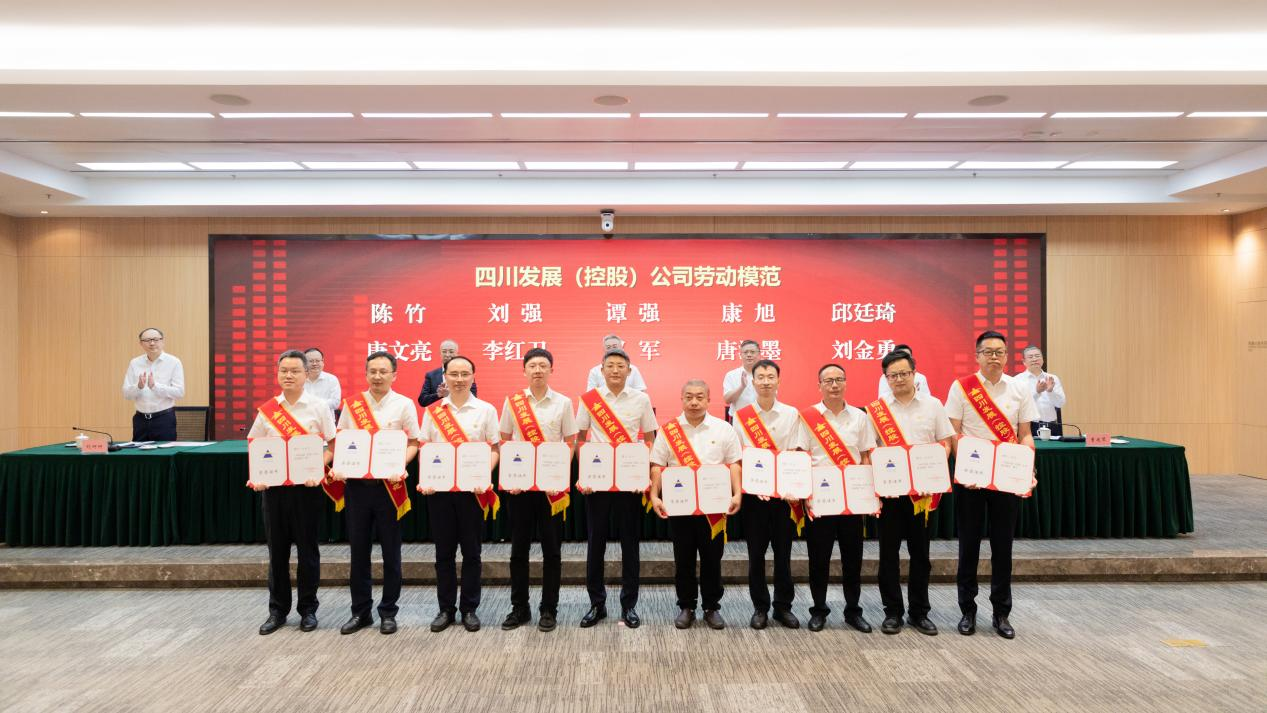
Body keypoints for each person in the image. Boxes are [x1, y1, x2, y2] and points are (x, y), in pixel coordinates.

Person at [945, 330, 1039, 640]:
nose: (994, 357)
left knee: (1003, 546)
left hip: (1006, 479)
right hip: (971, 479)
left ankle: (1001, 612)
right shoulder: (962, 387)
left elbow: (1025, 434)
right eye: (988, 352)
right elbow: (953, 432)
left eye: (999, 352)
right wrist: (966, 467)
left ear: (1007, 356)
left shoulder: (1019, 388)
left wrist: (1027, 463)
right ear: (977, 356)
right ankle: (967, 610)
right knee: (968, 545)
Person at [330, 351, 419, 636]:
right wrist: (340, 466)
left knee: (391, 553)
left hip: (389, 488)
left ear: (394, 375)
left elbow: (414, 442)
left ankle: (388, 612)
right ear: (366, 374)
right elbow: (342, 440)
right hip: (357, 488)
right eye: (373, 371)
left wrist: (400, 465)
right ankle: (360, 612)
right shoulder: (352, 405)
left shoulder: (404, 404)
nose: (378, 376)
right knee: (359, 553)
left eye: (383, 371)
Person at [246, 350, 336, 635]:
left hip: (307, 490)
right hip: (274, 492)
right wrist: (258, 476)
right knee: (277, 554)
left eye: (295, 371)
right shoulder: (268, 410)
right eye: (283, 371)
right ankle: (277, 611)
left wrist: (317, 468)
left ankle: (308, 610)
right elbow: (254, 444)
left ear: (306, 374)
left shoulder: (319, 407)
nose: (288, 375)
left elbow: (333, 446)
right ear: (277, 374)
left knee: (308, 553)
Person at [866, 350, 954, 636]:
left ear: (914, 375)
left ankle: (919, 612)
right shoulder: (876, 410)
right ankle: (892, 612)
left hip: (922, 496)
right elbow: (870, 450)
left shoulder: (933, 405)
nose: (899, 379)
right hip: (890, 495)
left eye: (904, 373)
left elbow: (946, 443)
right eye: (893, 375)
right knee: (888, 555)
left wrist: (932, 470)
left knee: (921, 555)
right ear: (886, 378)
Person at [649, 379, 742, 630]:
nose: (694, 402)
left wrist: (737, 493)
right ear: (681, 399)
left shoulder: (723, 429)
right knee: (684, 559)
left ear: (708, 400)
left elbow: (734, 463)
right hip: (680, 505)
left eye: (700, 397)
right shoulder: (669, 430)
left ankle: (711, 607)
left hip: (714, 508)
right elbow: (657, 465)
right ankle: (686, 606)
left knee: (712, 558)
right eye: (689, 396)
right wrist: (654, 495)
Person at [417, 355, 500, 633]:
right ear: (445, 377)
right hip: (440, 493)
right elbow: (425, 448)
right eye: (454, 374)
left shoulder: (486, 410)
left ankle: (469, 609)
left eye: (465, 374)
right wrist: (427, 479)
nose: (460, 379)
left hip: (471, 493)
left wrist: (483, 475)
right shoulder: (433, 412)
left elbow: (494, 449)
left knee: (472, 553)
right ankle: (446, 609)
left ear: (473, 377)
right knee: (444, 553)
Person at [575, 349, 658, 629]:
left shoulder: (641, 399)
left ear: (629, 371)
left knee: (630, 545)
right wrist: (584, 473)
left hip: (628, 483)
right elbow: (580, 438)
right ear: (601, 370)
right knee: (595, 544)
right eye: (609, 365)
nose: (615, 370)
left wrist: (642, 474)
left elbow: (650, 437)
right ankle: (596, 604)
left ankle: (629, 605)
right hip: (597, 481)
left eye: (620, 366)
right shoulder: (590, 400)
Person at [498, 348, 578, 633]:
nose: (538, 370)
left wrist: (559, 474)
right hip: (520, 488)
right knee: (518, 550)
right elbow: (504, 440)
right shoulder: (513, 402)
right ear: (524, 370)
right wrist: (510, 476)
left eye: (543, 365)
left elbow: (571, 441)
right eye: (532, 366)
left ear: (551, 370)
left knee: (552, 551)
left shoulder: (563, 403)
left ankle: (549, 608)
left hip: (550, 489)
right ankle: (519, 607)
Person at [799, 363, 875, 633]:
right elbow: (801, 456)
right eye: (828, 380)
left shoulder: (860, 417)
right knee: (818, 558)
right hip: (820, 499)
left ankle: (853, 611)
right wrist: (805, 493)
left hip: (852, 500)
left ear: (846, 383)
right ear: (819, 385)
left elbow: (866, 456)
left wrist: (868, 494)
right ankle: (819, 610)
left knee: (852, 558)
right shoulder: (807, 417)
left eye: (839, 379)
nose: (834, 385)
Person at [732, 359, 806, 630]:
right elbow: (738, 457)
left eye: (770, 376)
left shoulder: (791, 413)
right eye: (760, 377)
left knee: (783, 554)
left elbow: (796, 453)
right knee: (756, 555)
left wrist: (791, 487)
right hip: (755, 497)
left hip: (785, 497)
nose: (765, 381)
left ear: (778, 381)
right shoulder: (742, 416)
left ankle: (783, 607)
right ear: (753, 382)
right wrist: (752, 486)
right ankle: (760, 607)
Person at [122, 327, 185, 441]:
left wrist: (155, 387)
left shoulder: (174, 362)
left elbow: (179, 392)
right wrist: (138, 387)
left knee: (165, 451)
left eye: (155, 339)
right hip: (140, 419)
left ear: (162, 341)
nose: (152, 343)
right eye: (147, 340)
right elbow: (126, 394)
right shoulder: (134, 363)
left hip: (164, 419)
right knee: (138, 451)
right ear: (141, 343)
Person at [1014, 345, 1066, 437]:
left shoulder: (1053, 378)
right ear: (1024, 362)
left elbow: (1060, 403)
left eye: (1037, 356)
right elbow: (1019, 406)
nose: (1034, 359)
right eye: (1030, 357)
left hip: (1052, 425)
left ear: (1042, 359)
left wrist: (1050, 391)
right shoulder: (1017, 380)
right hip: (1028, 426)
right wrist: (1037, 392)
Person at [418, 340, 478, 407]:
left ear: (457, 354)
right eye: (444, 352)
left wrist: (451, 394)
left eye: (451, 352)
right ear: (440, 354)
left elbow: (474, 397)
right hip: (439, 412)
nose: (447, 355)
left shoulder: (466, 374)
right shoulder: (431, 375)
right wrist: (439, 395)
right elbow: (422, 401)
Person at [722, 339, 760, 415]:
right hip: (739, 418)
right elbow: (727, 400)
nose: (749, 355)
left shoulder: (765, 374)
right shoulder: (731, 375)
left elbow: (772, 398)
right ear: (741, 355)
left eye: (752, 352)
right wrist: (742, 387)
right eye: (745, 352)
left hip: (761, 417)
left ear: (759, 354)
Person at [302, 347, 341, 417]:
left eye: (317, 361)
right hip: (303, 420)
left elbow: (335, 403)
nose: (314, 364)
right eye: (311, 361)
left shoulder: (332, 379)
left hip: (326, 421)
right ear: (304, 363)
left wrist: (314, 404)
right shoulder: (299, 380)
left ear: (322, 362)